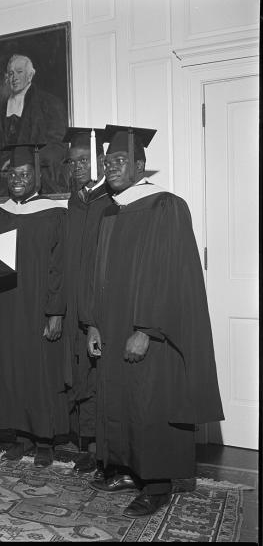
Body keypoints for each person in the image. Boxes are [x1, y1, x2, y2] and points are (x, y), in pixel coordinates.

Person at [81, 125, 224, 518]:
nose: (111, 167)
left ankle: (158, 485)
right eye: (108, 161)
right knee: (120, 400)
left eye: (121, 161)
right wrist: (92, 322)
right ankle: (128, 471)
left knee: (149, 404)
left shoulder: (165, 206)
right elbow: (96, 272)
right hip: (110, 326)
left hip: (148, 331)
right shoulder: (109, 210)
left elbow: (171, 275)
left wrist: (145, 329)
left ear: (141, 166)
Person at [0, 144, 69, 468]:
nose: (18, 179)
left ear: (36, 176)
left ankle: (45, 439)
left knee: (40, 374)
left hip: (39, 307)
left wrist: (56, 312)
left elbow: (60, 268)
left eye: (24, 174)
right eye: (13, 174)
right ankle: (20, 437)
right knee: (13, 373)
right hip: (8, 305)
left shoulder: (54, 214)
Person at [61, 127, 112, 480]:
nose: (77, 166)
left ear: (99, 162)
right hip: (76, 306)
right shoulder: (74, 201)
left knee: (102, 380)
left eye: (84, 160)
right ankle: (91, 448)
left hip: (103, 307)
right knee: (82, 378)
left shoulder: (110, 201)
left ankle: (106, 450)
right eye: (72, 161)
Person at [0, 54, 68, 196]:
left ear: (30, 75)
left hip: (37, 178)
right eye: (11, 73)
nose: (14, 77)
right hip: (9, 179)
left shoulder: (49, 103)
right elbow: (0, 140)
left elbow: (57, 145)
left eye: (19, 72)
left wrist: (21, 162)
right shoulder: (4, 106)